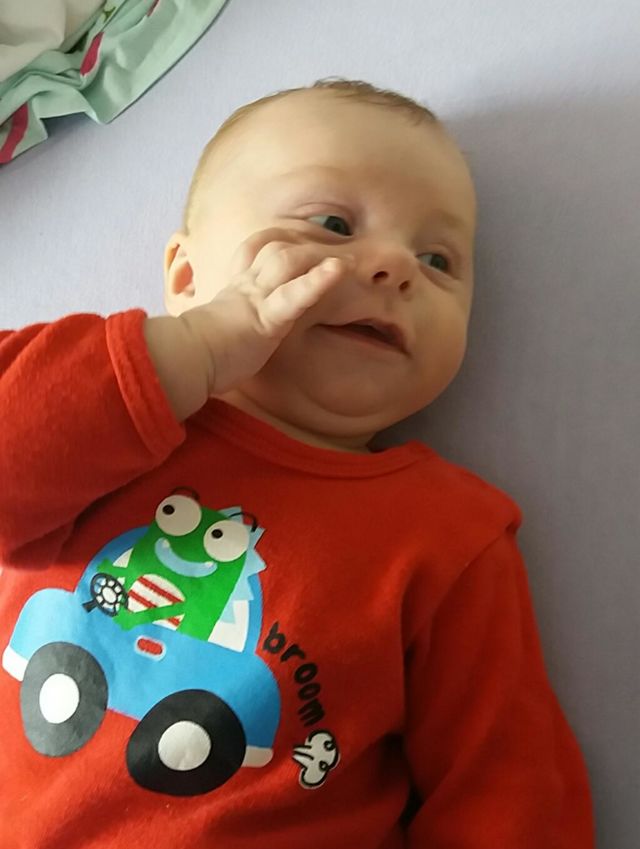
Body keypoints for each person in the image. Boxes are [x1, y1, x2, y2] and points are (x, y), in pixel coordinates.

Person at [0, 78, 594, 849]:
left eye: (438, 259)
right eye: (333, 224)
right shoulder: (104, 416)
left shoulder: (451, 534)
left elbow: (507, 786)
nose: (395, 267)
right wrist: (192, 349)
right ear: (187, 278)